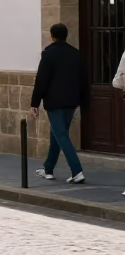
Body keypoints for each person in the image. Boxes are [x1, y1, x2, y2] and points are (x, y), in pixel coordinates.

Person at [31, 22, 89, 184]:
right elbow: (83, 80)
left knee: (61, 135)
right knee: (56, 134)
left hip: (55, 102)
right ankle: (48, 169)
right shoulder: (76, 53)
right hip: (71, 101)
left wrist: (34, 102)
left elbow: (41, 80)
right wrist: (85, 102)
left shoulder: (49, 54)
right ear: (66, 35)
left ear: (52, 35)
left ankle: (77, 171)